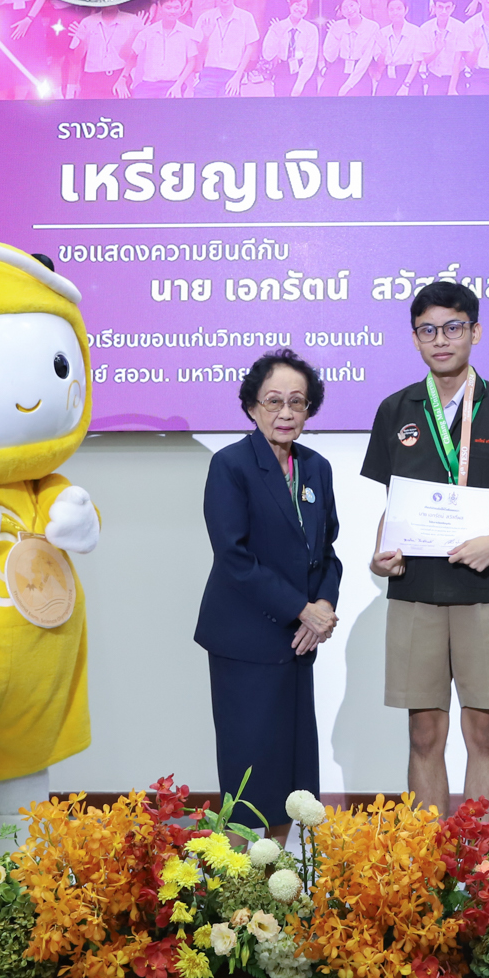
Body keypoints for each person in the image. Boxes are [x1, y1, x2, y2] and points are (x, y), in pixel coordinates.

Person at [362, 282, 489, 813]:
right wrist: (380, 553)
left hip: (487, 588)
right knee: (423, 732)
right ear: (414, 339)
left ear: (475, 332)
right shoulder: (395, 409)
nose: (440, 340)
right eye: (428, 330)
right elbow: (393, 505)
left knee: (484, 731)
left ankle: (477, 857)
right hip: (415, 590)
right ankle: (428, 854)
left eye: (452, 327)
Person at [197, 350, 342, 838]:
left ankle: (276, 871)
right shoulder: (231, 465)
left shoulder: (316, 468)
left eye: (297, 402)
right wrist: (301, 609)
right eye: (273, 401)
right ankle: (237, 874)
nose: (285, 412)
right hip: (246, 639)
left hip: (298, 642)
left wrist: (323, 608)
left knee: (290, 768)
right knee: (248, 765)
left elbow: (328, 552)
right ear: (251, 407)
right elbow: (233, 557)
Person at [192, 0, 260, 97]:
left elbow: (250, 48)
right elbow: (199, 52)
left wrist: (237, 77)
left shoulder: (246, 17)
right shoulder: (206, 17)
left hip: (233, 72)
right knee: (201, 104)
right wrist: (206, 37)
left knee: (229, 103)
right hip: (209, 72)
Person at [129, 0, 200, 97]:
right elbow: (132, 54)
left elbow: (192, 61)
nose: (172, 11)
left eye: (176, 8)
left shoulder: (188, 33)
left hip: (174, 84)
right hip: (148, 84)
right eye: (168, 8)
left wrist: (178, 85)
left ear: (181, 9)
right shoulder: (148, 32)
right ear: (160, 8)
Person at [259, 0, 319, 97]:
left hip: (305, 70)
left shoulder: (311, 29)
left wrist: (299, 85)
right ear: (290, 5)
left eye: (304, 6)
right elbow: (267, 55)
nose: (300, 9)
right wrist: (277, 35)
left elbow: (310, 59)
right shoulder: (278, 26)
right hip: (284, 69)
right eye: (297, 4)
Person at [320, 0, 379, 96]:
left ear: (358, 5)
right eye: (345, 8)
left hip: (360, 72)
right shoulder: (337, 26)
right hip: (338, 69)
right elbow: (330, 58)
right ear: (341, 11)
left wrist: (348, 85)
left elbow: (366, 59)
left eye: (352, 5)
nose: (349, 10)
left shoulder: (372, 26)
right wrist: (336, 38)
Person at [420, 0, 471, 94]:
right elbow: (425, 60)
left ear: (453, 8)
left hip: (457, 78)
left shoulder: (460, 28)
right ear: (434, 7)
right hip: (435, 78)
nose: (444, 11)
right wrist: (437, 51)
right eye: (440, 7)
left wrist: (452, 89)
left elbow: (457, 60)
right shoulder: (425, 28)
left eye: (447, 7)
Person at [376, 0, 426, 96]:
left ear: (406, 10)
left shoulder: (416, 31)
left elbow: (417, 61)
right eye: (391, 9)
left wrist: (406, 85)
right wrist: (383, 51)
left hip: (409, 77)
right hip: (388, 77)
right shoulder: (382, 33)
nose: (395, 12)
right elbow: (380, 65)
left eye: (399, 9)